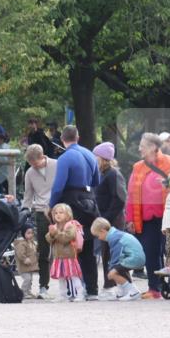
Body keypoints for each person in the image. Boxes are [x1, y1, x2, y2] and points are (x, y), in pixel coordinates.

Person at [49, 126, 102, 299]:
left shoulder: (65, 158)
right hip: (90, 200)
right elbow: (96, 180)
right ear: (77, 137)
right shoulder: (90, 155)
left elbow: (58, 186)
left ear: (63, 139)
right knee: (87, 245)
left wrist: (52, 206)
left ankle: (75, 289)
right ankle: (92, 289)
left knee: (72, 244)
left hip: (72, 201)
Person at [123, 133, 170, 299]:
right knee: (151, 254)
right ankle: (155, 288)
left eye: (142, 146)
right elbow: (131, 195)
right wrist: (130, 218)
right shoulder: (138, 167)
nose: (139, 149)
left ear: (153, 147)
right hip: (146, 219)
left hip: (168, 218)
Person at [22, 144, 58, 299]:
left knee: (65, 248)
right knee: (43, 251)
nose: (34, 166)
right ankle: (43, 286)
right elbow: (28, 196)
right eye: (31, 164)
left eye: (35, 163)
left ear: (42, 157)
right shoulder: (30, 173)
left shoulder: (57, 165)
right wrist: (24, 211)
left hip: (59, 209)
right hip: (41, 211)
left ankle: (72, 284)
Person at [92, 142, 127, 295]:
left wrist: (106, 219)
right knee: (107, 254)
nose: (94, 159)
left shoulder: (113, 174)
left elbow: (120, 199)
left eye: (96, 156)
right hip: (106, 220)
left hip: (112, 221)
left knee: (114, 254)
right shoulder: (103, 174)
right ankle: (110, 285)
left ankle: (116, 286)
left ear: (104, 158)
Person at [90, 218, 145, 300]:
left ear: (103, 231)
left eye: (98, 235)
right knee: (118, 270)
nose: (99, 238)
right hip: (136, 257)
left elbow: (117, 255)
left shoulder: (114, 238)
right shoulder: (115, 234)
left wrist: (112, 269)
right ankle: (123, 292)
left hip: (135, 258)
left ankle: (133, 292)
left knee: (112, 273)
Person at [46, 203, 85, 301]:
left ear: (68, 214)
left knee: (73, 276)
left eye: (61, 212)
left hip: (69, 257)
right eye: (55, 213)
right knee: (61, 277)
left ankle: (80, 294)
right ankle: (63, 295)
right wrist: (51, 234)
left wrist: (55, 233)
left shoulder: (70, 226)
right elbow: (48, 239)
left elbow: (66, 238)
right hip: (58, 257)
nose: (58, 215)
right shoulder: (55, 226)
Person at [13, 227, 39, 299]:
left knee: (30, 279)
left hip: (30, 266)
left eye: (32, 233)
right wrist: (24, 259)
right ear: (23, 234)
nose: (31, 235)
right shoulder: (21, 243)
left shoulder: (32, 242)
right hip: (23, 266)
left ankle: (28, 291)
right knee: (27, 279)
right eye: (28, 233)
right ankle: (23, 292)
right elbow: (20, 253)